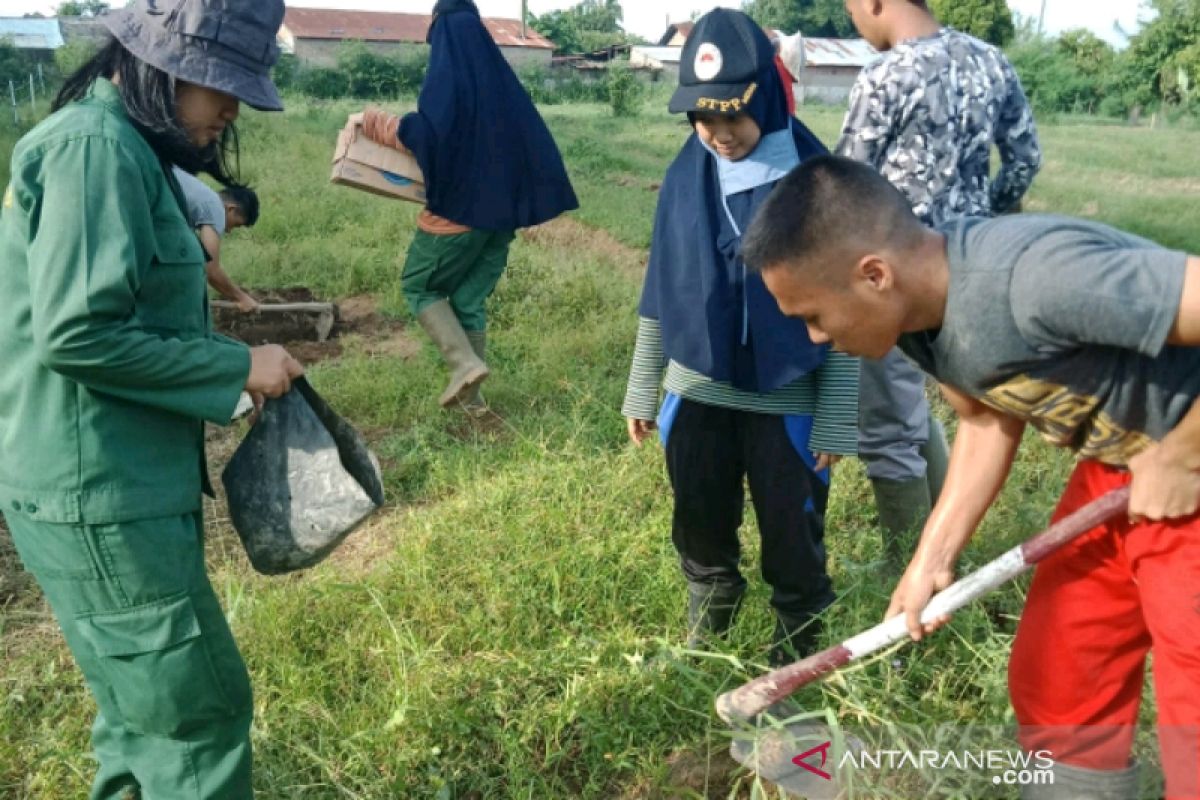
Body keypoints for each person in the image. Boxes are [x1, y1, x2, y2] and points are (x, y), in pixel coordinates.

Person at [742, 154, 1200, 799]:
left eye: (814, 316)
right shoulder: (916, 317)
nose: (815, 338)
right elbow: (985, 419)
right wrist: (933, 557)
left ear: (874, 274)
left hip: (1183, 467)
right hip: (1122, 473)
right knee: (1061, 670)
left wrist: (1181, 451)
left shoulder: (1033, 277)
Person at [0, 1, 301, 796]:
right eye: (218, 85)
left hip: (112, 482)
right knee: (197, 722)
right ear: (157, 66)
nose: (232, 107)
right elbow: (78, 336)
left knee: (143, 719)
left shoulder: (124, 148)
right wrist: (235, 367)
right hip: (98, 489)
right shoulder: (95, 150)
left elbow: (120, 323)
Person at [622, 9, 860, 667]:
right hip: (696, 391)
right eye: (704, 119)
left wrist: (837, 416)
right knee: (699, 519)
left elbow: (848, 309)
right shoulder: (683, 176)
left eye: (734, 117)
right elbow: (660, 285)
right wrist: (644, 384)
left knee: (793, 533)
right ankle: (710, 626)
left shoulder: (817, 185)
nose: (719, 134)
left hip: (787, 399)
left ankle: (798, 652)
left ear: (770, 102)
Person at [838, 0, 1042, 567]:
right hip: (970, 270)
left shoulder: (885, 75)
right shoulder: (991, 61)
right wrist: (984, 222)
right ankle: (947, 541)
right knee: (943, 407)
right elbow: (1025, 160)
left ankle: (908, 566)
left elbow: (847, 184)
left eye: (852, 9)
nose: (855, 20)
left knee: (886, 426)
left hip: (894, 281)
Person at [359, 0, 578, 417]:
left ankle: (464, 364)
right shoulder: (500, 82)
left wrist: (385, 126)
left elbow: (432, 134)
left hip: (456, 217)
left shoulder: (448, 77)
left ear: (441, 34)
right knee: (466, 300)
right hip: (499, 222)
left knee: (419, 287)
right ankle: (473, 406)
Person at [172, 166, 260, 313]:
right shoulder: (216, 207)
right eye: (236, 224)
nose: (229, 230)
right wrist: (241, 297)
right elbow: (210, 269)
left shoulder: (198, 197)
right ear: (230, 208)